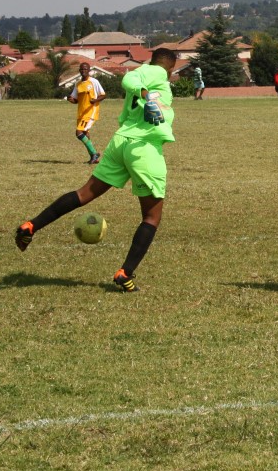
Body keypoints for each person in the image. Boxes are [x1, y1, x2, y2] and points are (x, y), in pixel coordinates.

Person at [15, 48, 179, 293]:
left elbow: (133, 82)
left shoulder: (146, 73)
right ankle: (125, 273)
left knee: (84, 193)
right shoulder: (157, 74)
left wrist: (147, 97)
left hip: (120, 143)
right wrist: (148, 96)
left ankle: (31, 226)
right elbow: (130, 80)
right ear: (171, 68)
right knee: (151, 217)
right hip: (143, 149)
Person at [68, 62, 106, 164]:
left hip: (91, 111)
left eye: (85, 69)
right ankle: (94, 157)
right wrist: (71, 99)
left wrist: (95, 100)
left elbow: (103, 95)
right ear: (79, 70)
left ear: (89, 70)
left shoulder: (94, 82)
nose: (83, 71)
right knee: (85, 133)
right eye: (81, 69)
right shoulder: (78, 84)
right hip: (81, 112)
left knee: (78, 132)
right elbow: (76, 100)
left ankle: (94, 153)